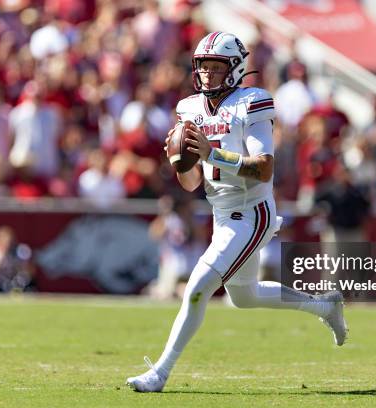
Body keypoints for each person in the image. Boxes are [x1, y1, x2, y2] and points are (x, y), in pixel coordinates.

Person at [126, 32, 348, 392]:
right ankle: (325, 307)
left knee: (197, 288)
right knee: (243, 297)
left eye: (216, 67)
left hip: (253, 210)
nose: (208, 75)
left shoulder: (252, 102)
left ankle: (160, 373)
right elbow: (192, 183)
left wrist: (211, 154)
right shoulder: (189, 108)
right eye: (204, 67)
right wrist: (181, 162)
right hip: (222, 214)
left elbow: (264, 168)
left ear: (234, 68)